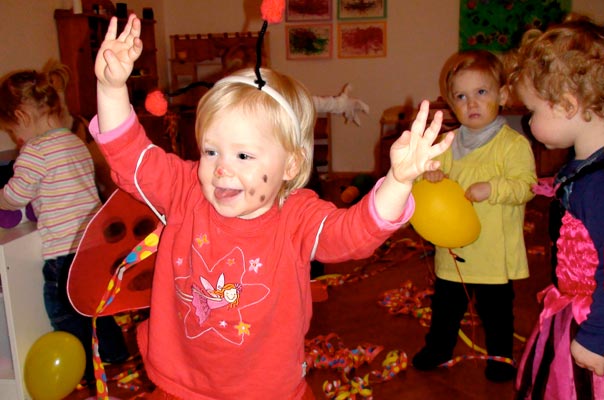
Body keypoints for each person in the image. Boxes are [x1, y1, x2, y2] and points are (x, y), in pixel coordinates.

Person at [89, 14, 453, 400]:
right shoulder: (186, 188)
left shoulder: (296, 217)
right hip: (183, 384)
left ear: (290, 165)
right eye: (211, 150)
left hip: (267, 390)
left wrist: (398, 181)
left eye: (244, 154)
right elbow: (129, 156)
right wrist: (111, 87)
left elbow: (352, 236)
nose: (222, 167)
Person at [411, 49, 537, 382]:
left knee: (497, 312)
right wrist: (430, 176)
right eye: (461, 97)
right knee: (445, 307)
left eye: (481, 92)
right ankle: (439, 347)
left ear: (503, 95)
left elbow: (526, 186)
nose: (472, 104)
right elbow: (425, 183)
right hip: (453, 254)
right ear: (451, 104)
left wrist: (493, 188)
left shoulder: (513, 145)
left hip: (493, 252)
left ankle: (500, 356)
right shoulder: (445, 143)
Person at [0, 67, 129, 384]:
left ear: (22, 115)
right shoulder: (73, 141)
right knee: (96, 305)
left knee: (64, 309)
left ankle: (84, 368)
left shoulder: (34, 151)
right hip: (94, 243)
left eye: (14, 129)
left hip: (65, 251)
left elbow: (16, 196)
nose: (17, 138)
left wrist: (1, 198)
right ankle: (115, 353)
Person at [509, 16, 604, 398]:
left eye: (532, 112)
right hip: (574, 307)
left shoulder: (599, 184)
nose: (528, 122)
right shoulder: (586, 167)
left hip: (594, 318)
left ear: (567, 106)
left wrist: (597, 336)